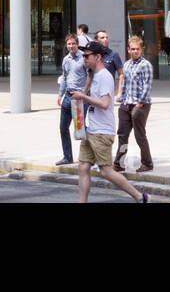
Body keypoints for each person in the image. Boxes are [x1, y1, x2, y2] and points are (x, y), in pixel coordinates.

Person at [72, 41, 146, 203]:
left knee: (106, 171)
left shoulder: (104, 76)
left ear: (98, 57)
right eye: (83, 55)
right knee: (83, 167)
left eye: (87, 56)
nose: (84, 58)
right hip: (92, 129)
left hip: (102, 132)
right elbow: (96, 101)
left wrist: (83, 97)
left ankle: (140, 197)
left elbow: (105, 104)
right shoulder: (95, 76)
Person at [114, 35, 153, 173]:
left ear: (141, 49)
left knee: (139, 135)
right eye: (132, 49)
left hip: (140, 105)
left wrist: (139, 104)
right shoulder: (126, 64)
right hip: (126, 104)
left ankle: (147, 163)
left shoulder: (145, 65)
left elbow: (147, 86)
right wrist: (122, 100)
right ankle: (119, 163)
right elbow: (124, 84)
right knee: (122, 135)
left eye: (137, 49)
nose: (135, 51)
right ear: (128, 50)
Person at [56, 34, 87, 166]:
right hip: (68, 96)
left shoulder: (84, 58)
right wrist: (60, 94)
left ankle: (87, 157)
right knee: (63, 127)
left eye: (73, 43)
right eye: (69, 44)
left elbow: (90, 76)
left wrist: (84, 93)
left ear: (77, 44)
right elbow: (64, 77)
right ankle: (67, 156)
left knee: (80, 129)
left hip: (80, 97)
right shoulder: (66, 59)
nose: (71, 46)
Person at [95, 30, 125, 100]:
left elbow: (121, 74)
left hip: (107, 93)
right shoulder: (92, 55)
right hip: (93, 92)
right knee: (79, 111)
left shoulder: (114, 54)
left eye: (106, 37)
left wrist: (119, 92)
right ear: (96, 41)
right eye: (102, 38)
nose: (105, 39)